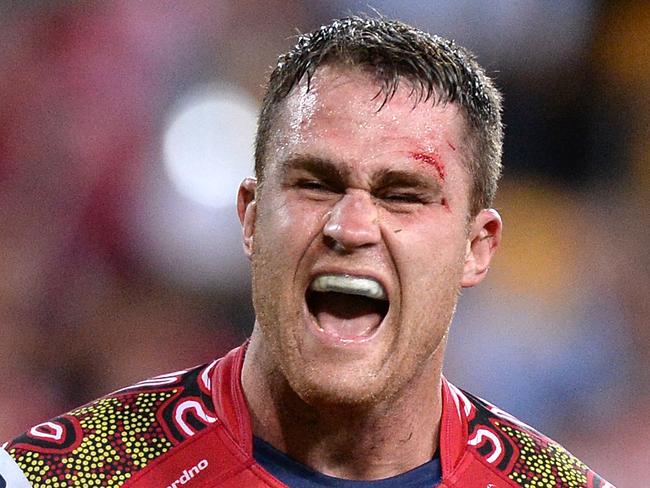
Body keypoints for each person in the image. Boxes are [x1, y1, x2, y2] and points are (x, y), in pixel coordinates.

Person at [1, 16, 613, 488]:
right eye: (315, 183)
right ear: (251, 216)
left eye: (403, 195)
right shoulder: (67, 474)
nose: (350, 226)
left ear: (477, 250)